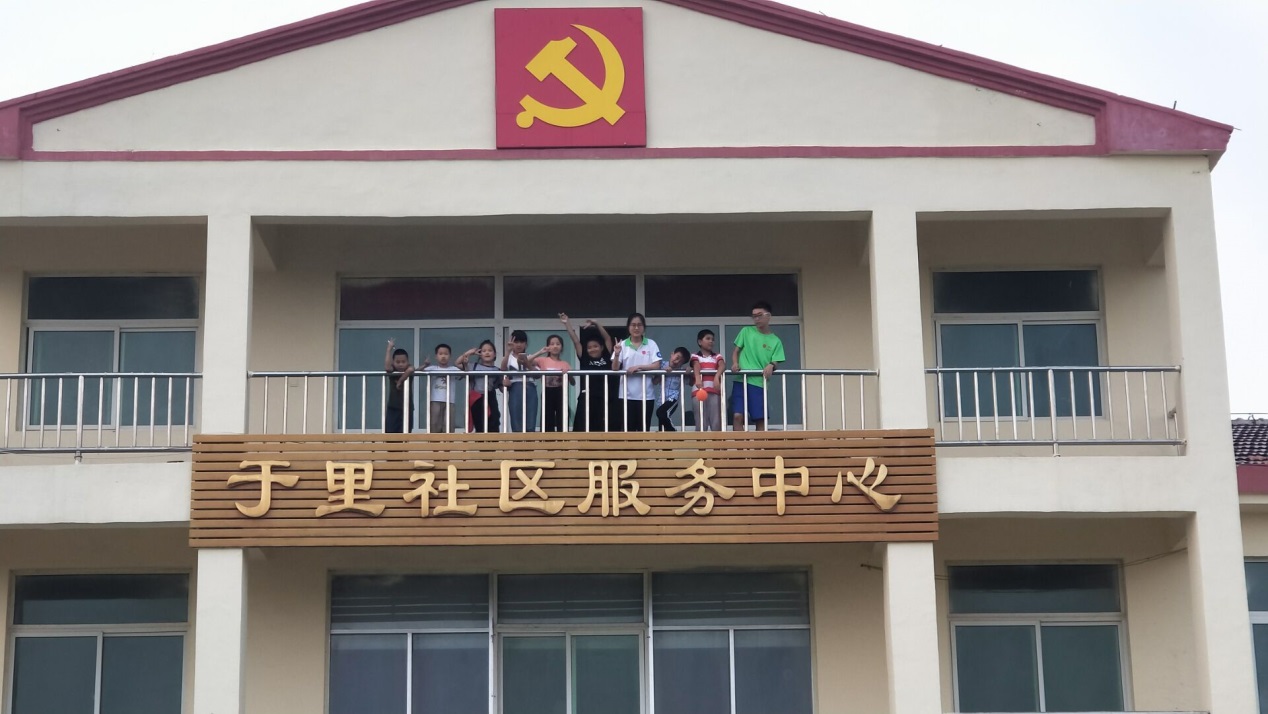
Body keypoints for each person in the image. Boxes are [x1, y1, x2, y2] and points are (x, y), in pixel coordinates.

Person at [730, 301, 785, 431]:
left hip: (759, 383)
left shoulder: (775, 341)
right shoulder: (746, 331)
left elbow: (776, 361)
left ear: (768, 316)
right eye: (754, 316)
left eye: (759, 315)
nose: (756, 319)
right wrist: (735, 363)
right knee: (737, 416)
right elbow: (736, 351)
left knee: (760, 418)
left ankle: (759, 444)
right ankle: (740, 444)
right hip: (741, 380)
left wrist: (771, 365)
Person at [561, 313, 619, 432]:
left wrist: (596, 323)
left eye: (595, 346)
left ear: (601, 347)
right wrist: (567, 324)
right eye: (589, 347)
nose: (592, 349)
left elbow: (607, 338)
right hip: (587, 397)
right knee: (583, 427)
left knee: (603, 428)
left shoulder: (607, 357)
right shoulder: (585, 358)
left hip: (605, 397)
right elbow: (576, 341)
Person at [611, 312, 662, 431]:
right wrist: (617, 354)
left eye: (639, 325)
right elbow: (615, 368)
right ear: (628, 327)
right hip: (626, 395)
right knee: (628, 430)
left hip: (646, 395)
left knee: (644, 429)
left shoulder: (651, 344)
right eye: (633, 325)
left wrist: (639, 367)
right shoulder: (623, 344)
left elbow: (657, 365)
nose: (636, 328)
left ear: (644, 327)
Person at [420, 343, 462, 433]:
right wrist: (425, 365)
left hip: (450, 401)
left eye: (446, 354)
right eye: (440, 354)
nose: (443, 356)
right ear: (436, 356)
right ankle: (434, 442)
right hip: (435, 400)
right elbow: (416, 372)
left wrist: (464, 363)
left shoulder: (453, 369)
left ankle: (448, 443)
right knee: (434, 424)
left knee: (448, 425)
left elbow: (465, 374)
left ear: (450, 356)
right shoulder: (432, 368)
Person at [502, 330, 539, 432]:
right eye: (516, 342)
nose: (519, 345)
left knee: (530, 423)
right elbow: (503, 369)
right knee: (516, 423)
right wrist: (507, 352)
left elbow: (538, 375)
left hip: (530, 387)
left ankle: (530, 442)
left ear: (526, 344)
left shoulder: (531, 357)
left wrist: (527, 363)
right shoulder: (508, 358)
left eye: (521, 342)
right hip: (515, 388)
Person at [534, 334, 571, 432]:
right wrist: (540, 352)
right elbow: (525, 361)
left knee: (562, 418)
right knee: (547, 419)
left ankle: (563, 440)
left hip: (561, 392)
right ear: (548, 346)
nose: (555, 346)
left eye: (558, 344)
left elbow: (573, 382)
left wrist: (568, 374)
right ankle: (547, 440)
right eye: (552, 344)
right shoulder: (542, 360)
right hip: (547, 391)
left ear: (562, 347)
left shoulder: (565, 363)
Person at [461, 340, 501, 433]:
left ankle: (493, 442)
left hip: (490, 396)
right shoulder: (474, 366)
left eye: (490, 350)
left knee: (494, 420)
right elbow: (457, 363)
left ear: (495, 354)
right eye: (484, 351)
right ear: (480, 354)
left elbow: (500, 385)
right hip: (477, 398)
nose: (487, 352)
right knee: (480, 423)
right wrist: (469, 353)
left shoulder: (497, 370)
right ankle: (481, 441)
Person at [691, 329, 725, 431]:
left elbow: (722, 365)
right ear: (700, 342)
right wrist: (698, 378)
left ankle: (717, 442)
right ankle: (701, 442)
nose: (711, 341)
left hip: (714, 391)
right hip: (699, 391)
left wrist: (716, 377)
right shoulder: (695, 355)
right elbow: (696, 365)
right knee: (701, 422)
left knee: (716, 422)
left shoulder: (717, 356)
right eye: (708, 338)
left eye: (712, 339)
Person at [383, 339, 415, 434]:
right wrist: (389, 349)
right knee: (390, 433)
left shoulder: (409, 369)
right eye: (398, 362)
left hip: (407, 407)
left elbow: (411, 369)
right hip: (393, 407)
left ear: (408, 362)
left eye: (403, 361)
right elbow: (387, 367)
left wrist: (400, 381)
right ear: (393, 362)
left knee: (405, 433)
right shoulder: (393, 370)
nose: (401, 364)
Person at [656, 347, 691, 431]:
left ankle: (673, 431)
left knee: (661, 412)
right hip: (662, 399)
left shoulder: (681, 371)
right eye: (677, 357)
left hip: (673, 398)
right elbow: (654, 381)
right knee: (662, 421)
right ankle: (664, 437)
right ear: (672, 354)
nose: (677, 361)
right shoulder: (662, 365)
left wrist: (689, 371)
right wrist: (663, 372)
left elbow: (690, 383)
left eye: (681, 361)